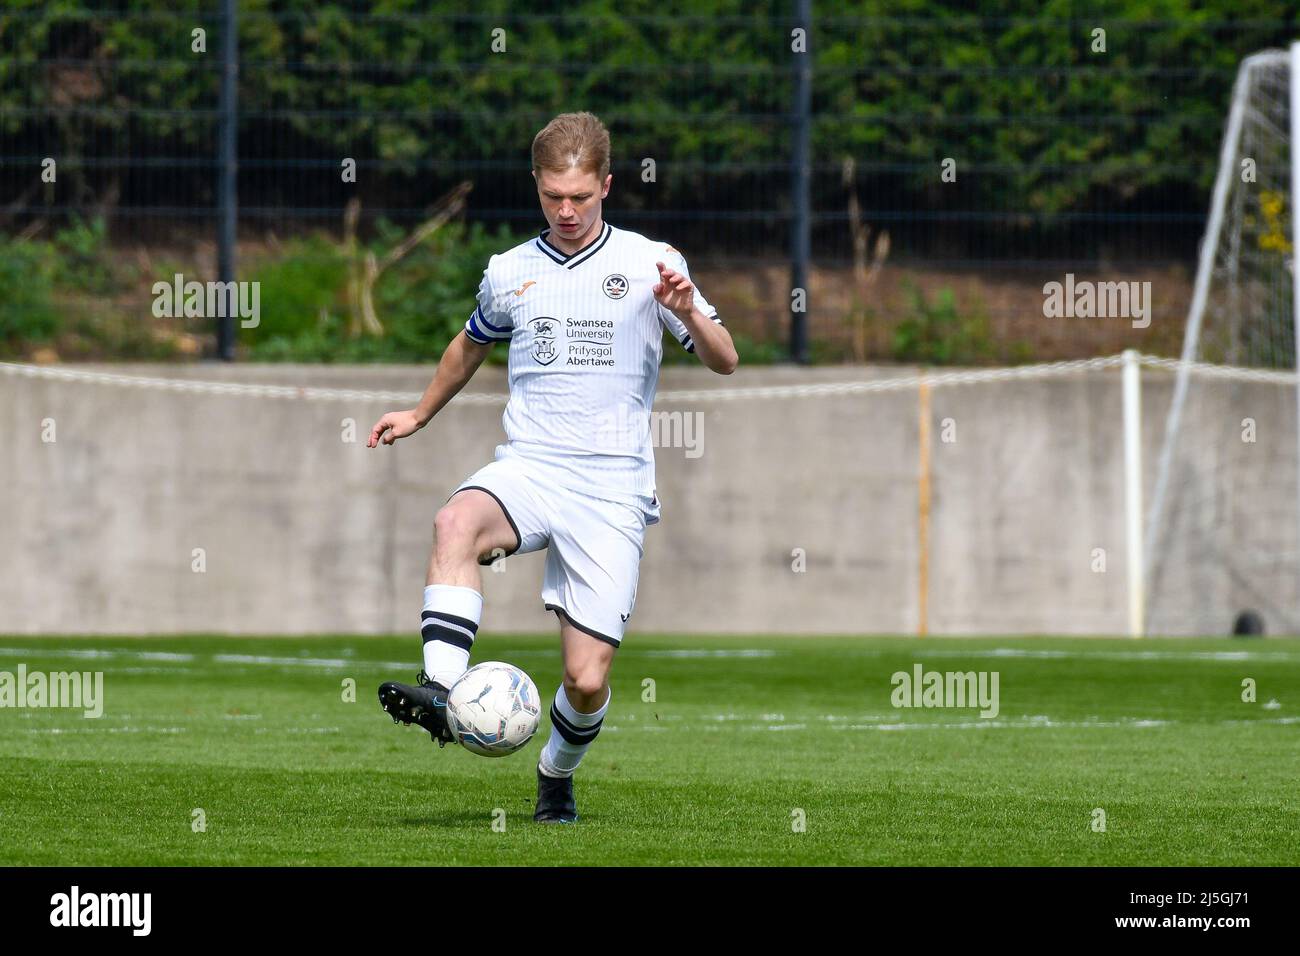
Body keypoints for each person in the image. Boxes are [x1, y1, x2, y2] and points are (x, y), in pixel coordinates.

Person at [369, 111, 738, 823]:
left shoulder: (651, 263)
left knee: (587, 679)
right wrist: (418, 413)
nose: (566, 211)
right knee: (455, 521)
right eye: (551, 197)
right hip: (531, 466)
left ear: (606, 184)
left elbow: (725, 360)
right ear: (536, 187)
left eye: (580, 196)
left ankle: (555, 775)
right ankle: (443, 692)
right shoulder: (511, 272)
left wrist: (690, 312)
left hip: (611, 487)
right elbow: (469, 344)